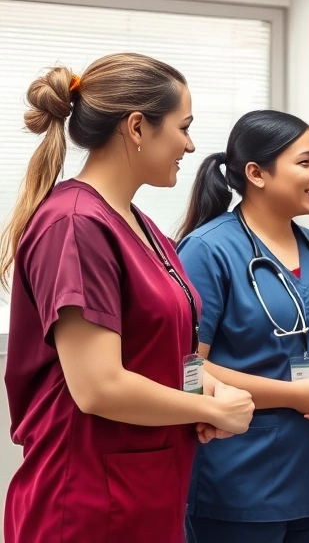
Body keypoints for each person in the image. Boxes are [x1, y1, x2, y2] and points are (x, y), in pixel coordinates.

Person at [0, 54, 255, 543]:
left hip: (146, 488)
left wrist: (210, 391)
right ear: (137, 127)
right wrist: (208, 410)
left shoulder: (140, 225)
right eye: (183, 127)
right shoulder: (74, 224)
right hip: (86, 500)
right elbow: (99, 386)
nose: (191, 144)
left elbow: (167, 354)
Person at [175, 110, 309, 543]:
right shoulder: (208, 250)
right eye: (305, 162)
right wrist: (293, 396)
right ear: (256, 173)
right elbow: (190, 368)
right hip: (241, 479)